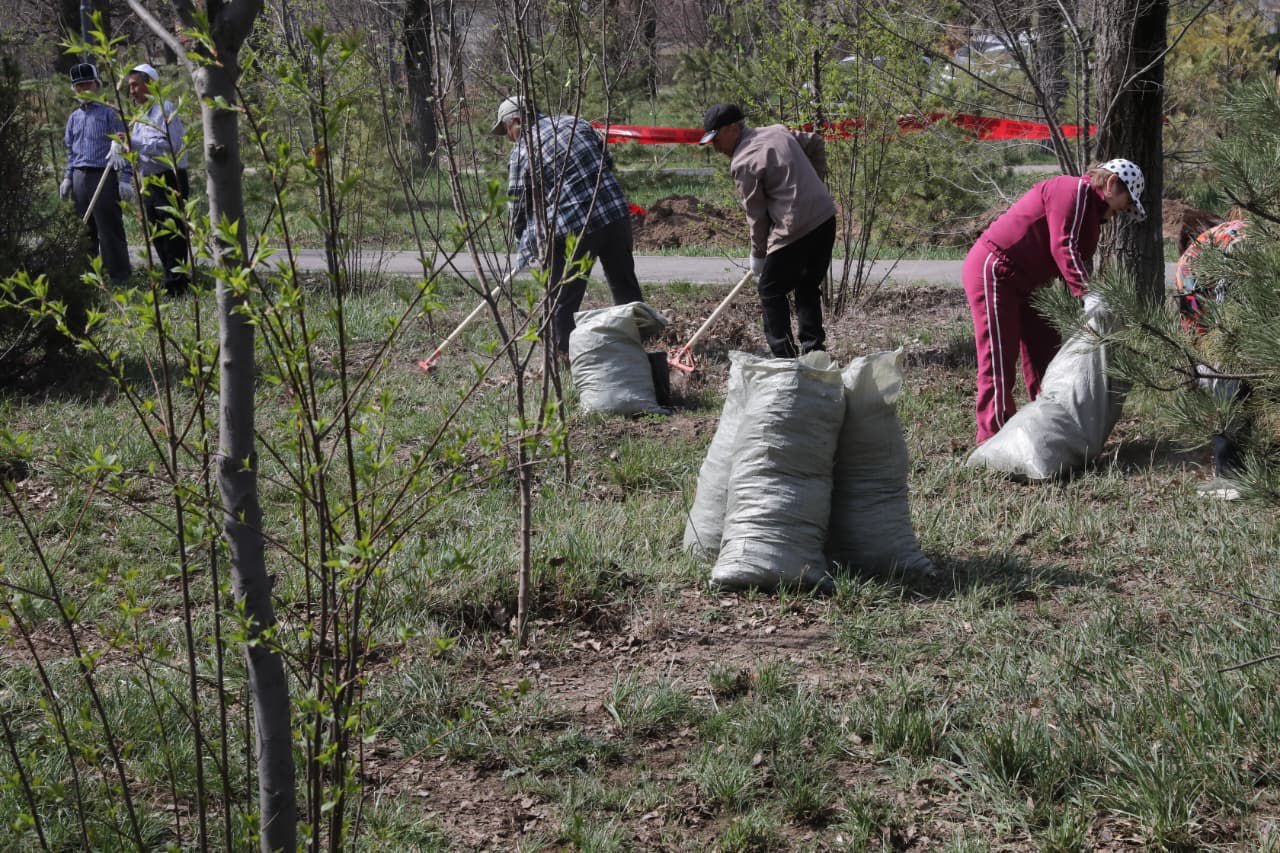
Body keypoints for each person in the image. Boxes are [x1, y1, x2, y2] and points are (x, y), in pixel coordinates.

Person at [961, 159, 1146, 445]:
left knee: (1046, 355)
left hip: (1032, 283)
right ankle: (991, 440)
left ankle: (1045, 431)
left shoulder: (1092, 214)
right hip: (997, 270)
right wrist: (1088, 293)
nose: (1120, 212)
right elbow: (1063, 246)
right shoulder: (1070, 191)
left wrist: (1084, 307)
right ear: (1111, 185)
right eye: (1124, 202)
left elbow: (1075, 259)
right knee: (999, 358)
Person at [494, 96, 644, 356]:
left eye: (507, 130)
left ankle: (560, 356)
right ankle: (640, 345)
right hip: (615, 213)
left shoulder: (522, 151)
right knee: (625, 285)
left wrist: (527, 243)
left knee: (562, 299)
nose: (509, 137)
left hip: (575, 230)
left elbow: (517, 205)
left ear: (516, 121)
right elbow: (605, 161)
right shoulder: (575, 122)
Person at [700, 103, 836, 358]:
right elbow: (815, 142)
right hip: (825, 218)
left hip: (795, 228)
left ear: (732, 129)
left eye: (716, 139)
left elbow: (757, 216)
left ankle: (784, 359)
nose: (715, 147)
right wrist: (814, 184)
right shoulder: (777, 131)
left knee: (770, 290)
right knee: (807, 286)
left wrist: (759, 256)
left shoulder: (742, 162)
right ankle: (814, 352)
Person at [1174, 217, 1251, 499]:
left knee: (1220, 381)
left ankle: (1230, 476)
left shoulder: (1188, 265)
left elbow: (1199, 336)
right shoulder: (1234, 229)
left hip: (1232, 294)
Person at [61, 62, 133, 285]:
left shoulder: (109, 113)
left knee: (109, 229)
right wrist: (68, 176)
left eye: (87, 84)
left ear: (97, 84)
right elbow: (70, 150)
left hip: (103, 176)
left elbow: (124, 146)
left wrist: (125, 179)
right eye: (79, 86)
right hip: (80, 177)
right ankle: (89, 276)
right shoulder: (74, 117)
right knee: (84, 231)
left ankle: (119, 276)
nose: (83, 89)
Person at [126, 63, 191, 295]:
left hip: (170, 178)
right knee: (156, 231)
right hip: (150, 180)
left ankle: (178, 285)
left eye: (135, 85)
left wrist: (135, 143)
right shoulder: (140, 115)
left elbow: (170, 146)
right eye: (130, 87)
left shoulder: (166, 108)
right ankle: (169, 278)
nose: (132, 91)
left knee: (172, 233)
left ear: (150, 84)